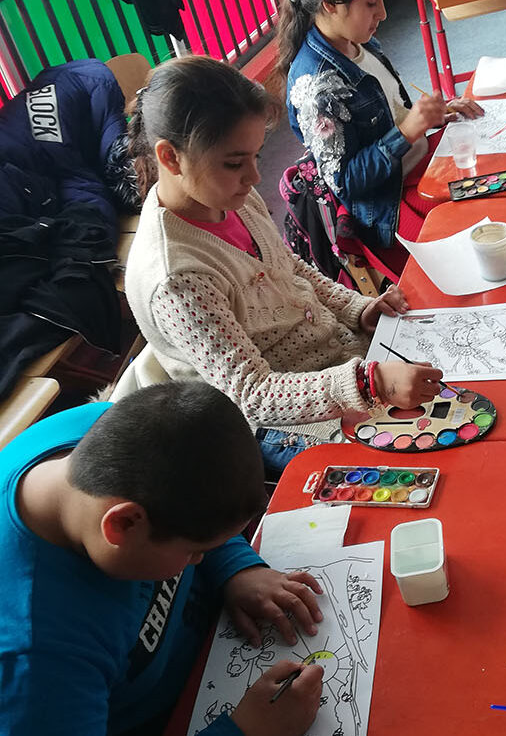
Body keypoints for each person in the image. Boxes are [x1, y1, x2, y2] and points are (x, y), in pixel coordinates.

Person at [125, 56, 443, 477]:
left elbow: (289, 267)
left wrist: (356, 308)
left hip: (336, 362)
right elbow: (252, 393)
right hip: (280, 421)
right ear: (170, 157)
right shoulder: (176, 278)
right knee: (424, 465)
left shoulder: (228, 196)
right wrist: (372, 383)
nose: (255, 177)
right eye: (235, 163)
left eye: (256, 156)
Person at [0, 381, 325, 735]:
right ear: (123, 525)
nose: (199, 559)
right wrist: (247, 732)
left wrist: (237, 568)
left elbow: (191, 502)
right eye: (194, 551)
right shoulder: (36, 664)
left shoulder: (109, 431)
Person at [278, 0, 483, 273]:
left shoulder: (358, 41)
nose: (383, 13)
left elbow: (390, 113)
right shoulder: (318, 88)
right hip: (390, 201)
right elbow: (345, 182)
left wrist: (434, 114)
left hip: (414, 163)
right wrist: (407, 131)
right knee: (480, 227)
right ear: (330, 2)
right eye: (372, 2)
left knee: (496, 169)